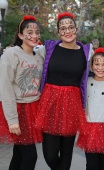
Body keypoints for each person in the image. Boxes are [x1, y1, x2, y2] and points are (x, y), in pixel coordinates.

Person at [35, 12, 93, 170]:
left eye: (70, 27)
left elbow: (103, 67)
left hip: (72, 106)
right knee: (50, 154)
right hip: (50, 105)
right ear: (58, 32)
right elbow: (28, 54)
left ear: (76, 29)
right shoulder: (47, 49)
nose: (67, 31)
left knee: (66, 154)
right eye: (63, 28)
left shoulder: (87, 53)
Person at [0, 15, 43, 170]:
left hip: (33, 109)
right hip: (18, 110)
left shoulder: (39, 56)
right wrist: (12, 119)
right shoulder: (11, 54)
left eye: (37, 32)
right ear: (20, 35)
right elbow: (5, 87)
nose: (34, 36)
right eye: (29, 32)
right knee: (30, 156)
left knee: (19, 155)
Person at [76, 47, 104, 170]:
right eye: (97, 64)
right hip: (90, 128)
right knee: (91, 164)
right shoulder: (85, 83)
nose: (100, 68)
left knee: (103, 164)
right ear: (91, 65)